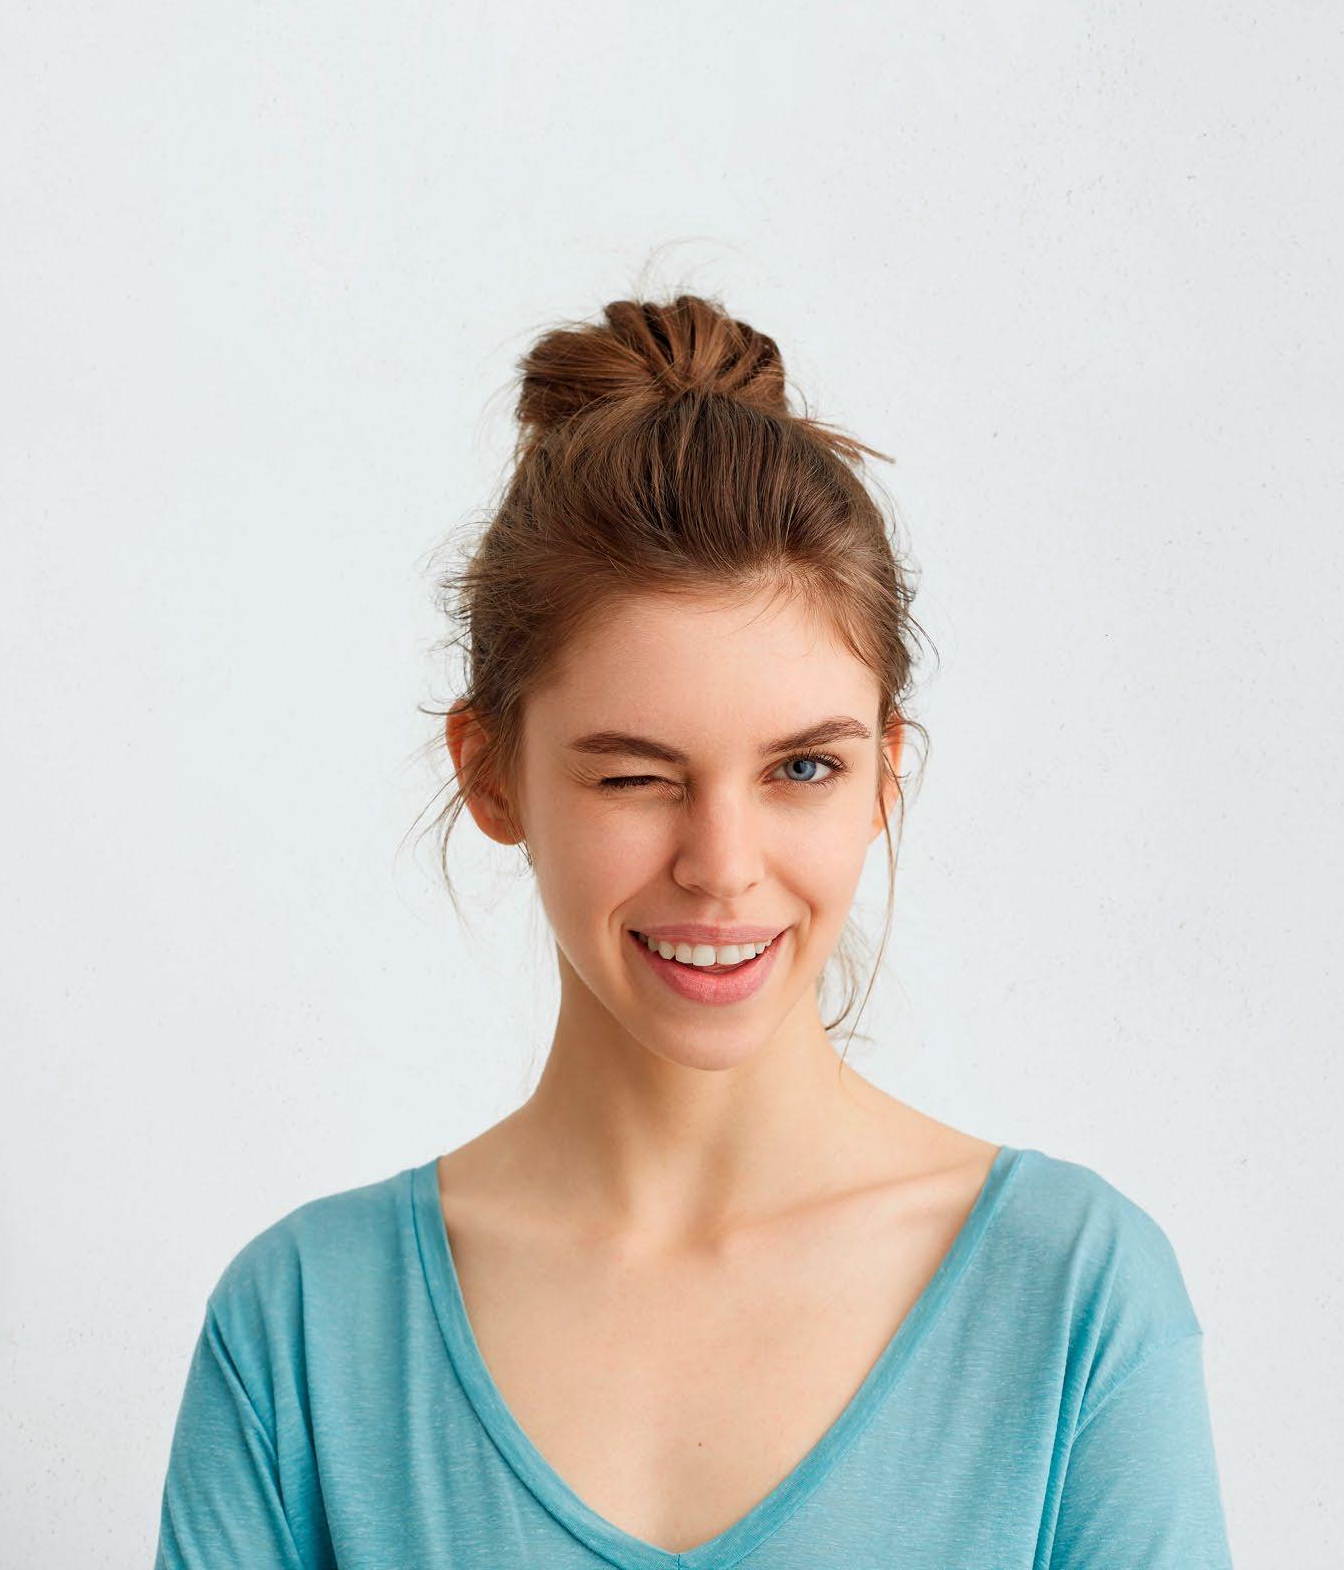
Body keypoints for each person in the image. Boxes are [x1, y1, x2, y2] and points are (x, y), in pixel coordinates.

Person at [152, 292, 1234, 1568]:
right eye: (635, 776)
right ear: (491, 774)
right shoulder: (301, 1333)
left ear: (884, 775)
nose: (722, 868)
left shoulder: (1072, 1304)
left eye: (804, 769)